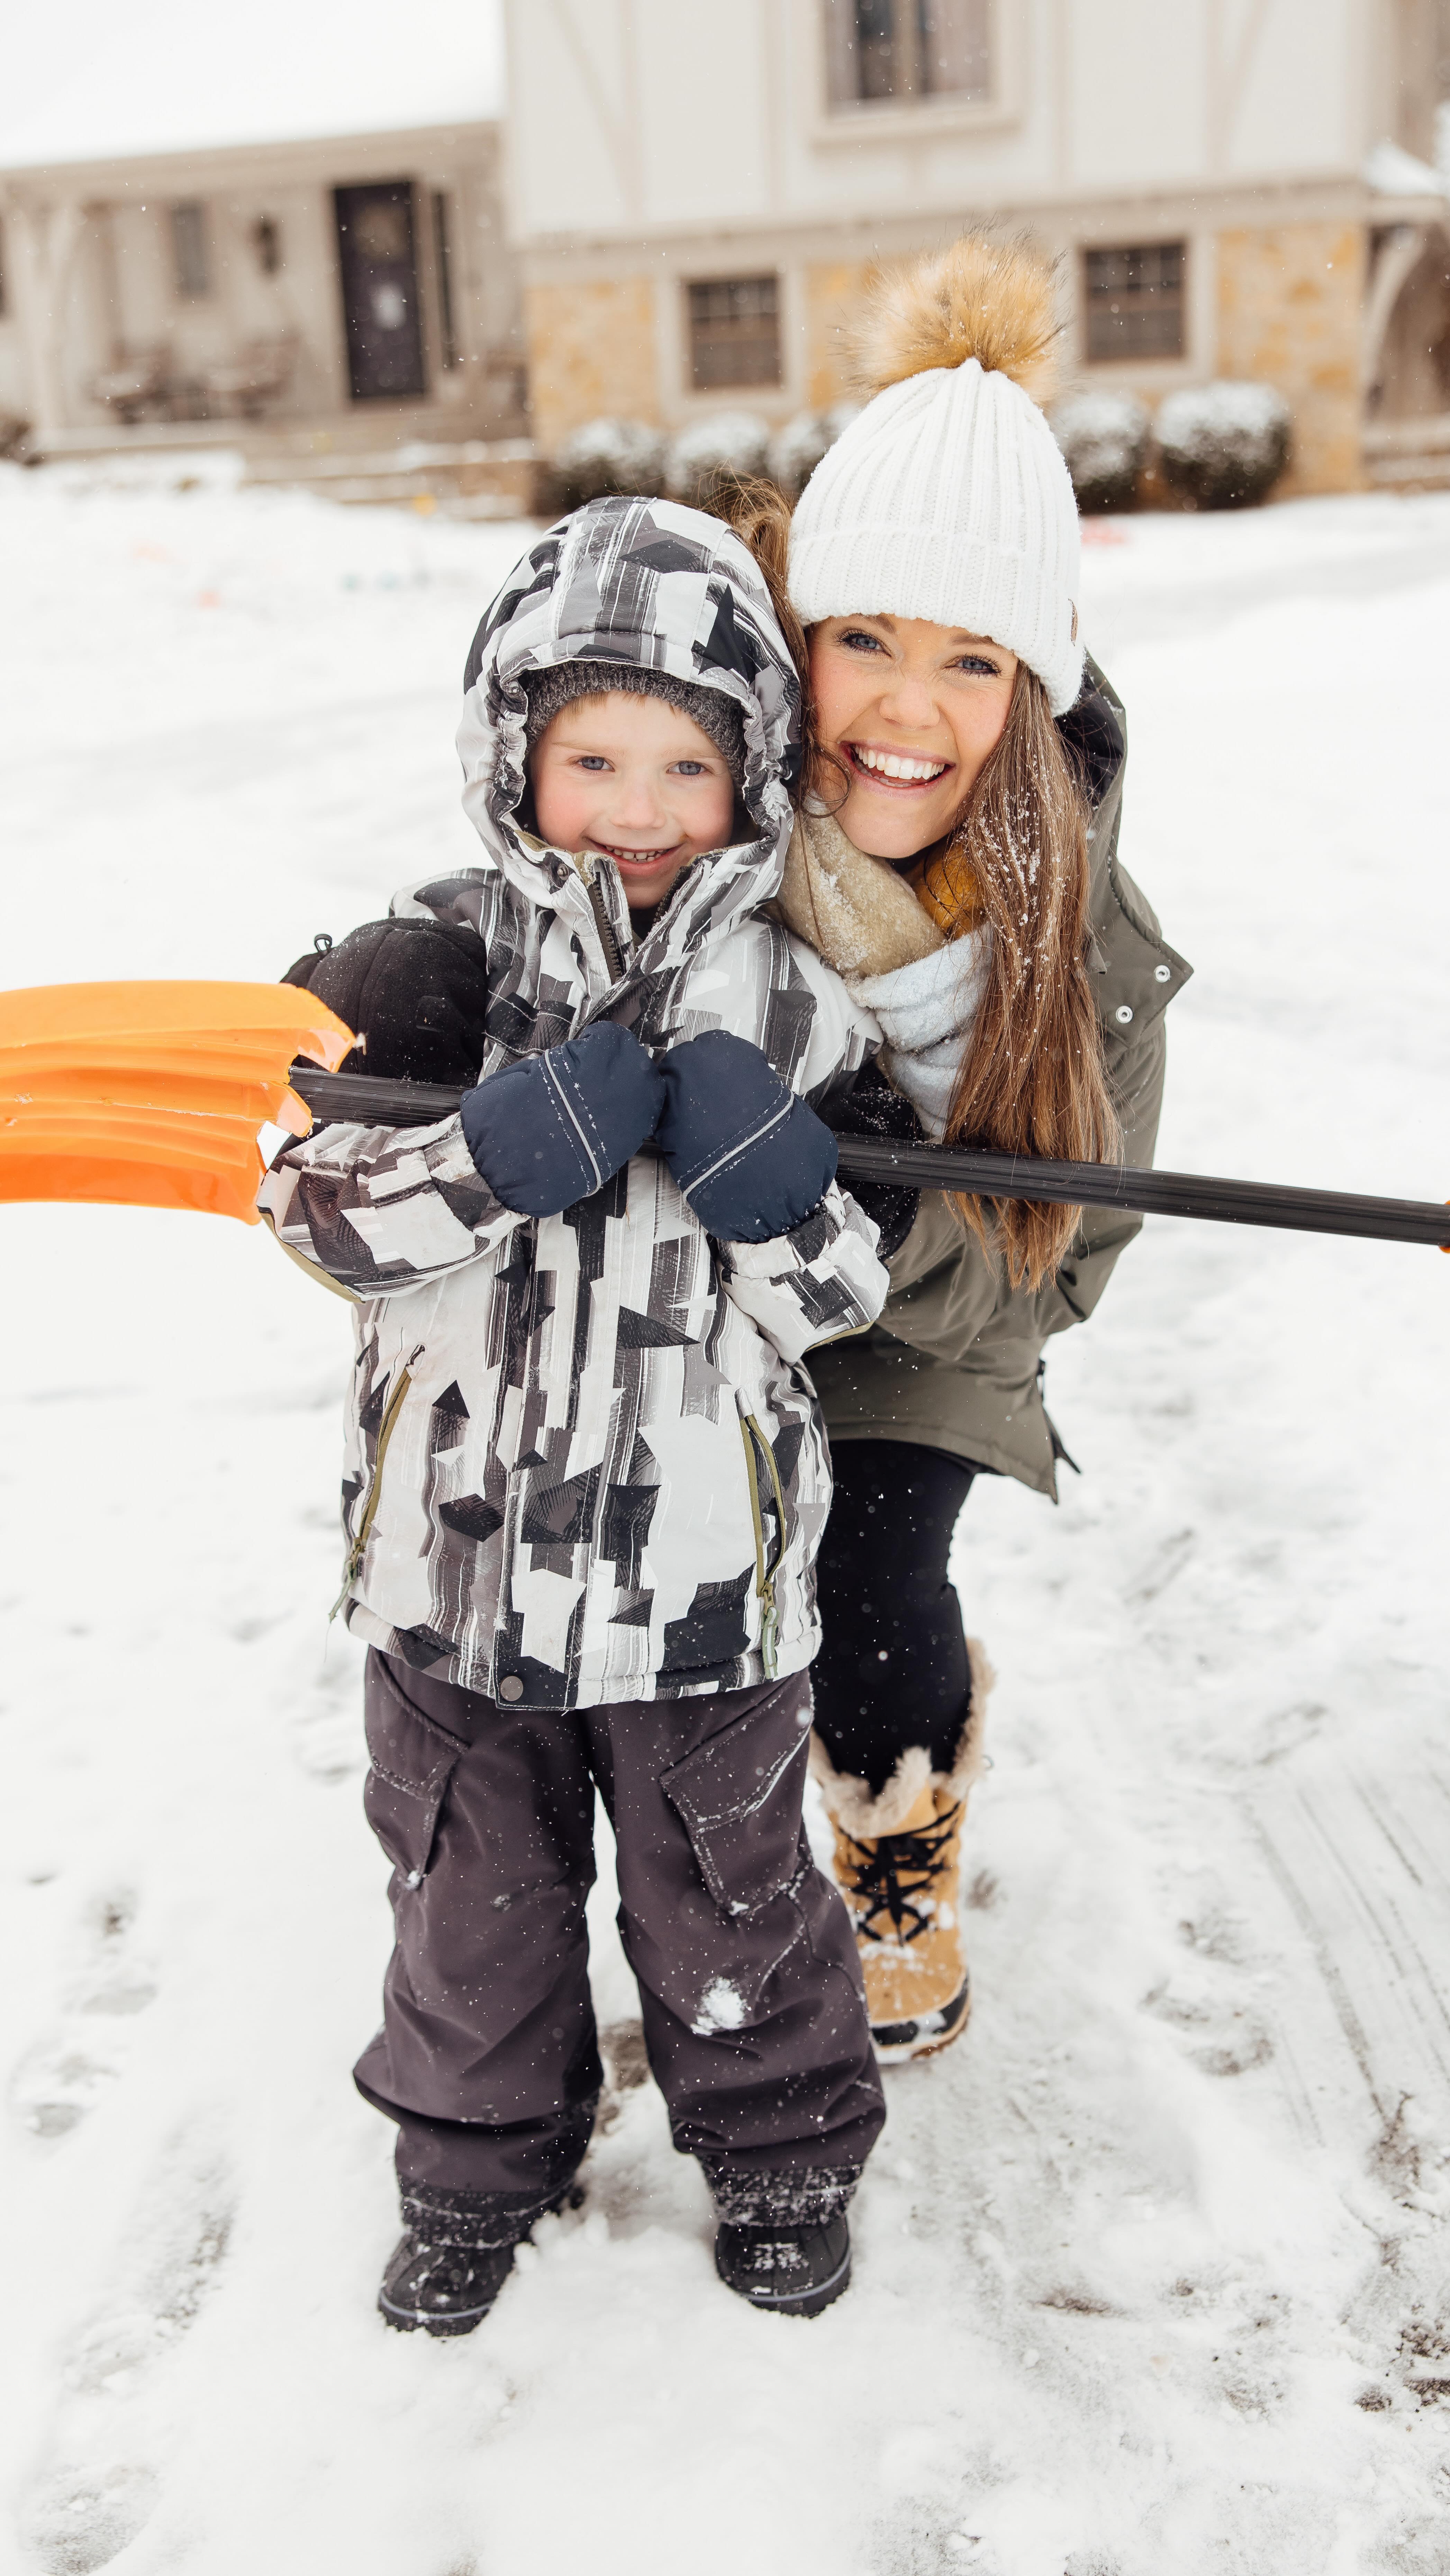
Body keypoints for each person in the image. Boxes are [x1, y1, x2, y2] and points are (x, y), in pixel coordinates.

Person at [259, 496, 894, 2331]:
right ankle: (478, 2163)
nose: (633, 802)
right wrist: (480, 1153)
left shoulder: (793, 1002)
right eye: (591, 752)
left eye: (685, 761)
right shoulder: (426, 979)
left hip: (705, 1586)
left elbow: (845, 1304)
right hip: (451, 1580)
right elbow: (306, 1210)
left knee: (736, 1895)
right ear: (512, 753)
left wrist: (783, 1189)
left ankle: (778, 2147)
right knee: (471, 1906)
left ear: (753, 777)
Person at [728, 235, 1190, 2064]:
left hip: (941, 1332)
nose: (906, 708)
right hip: (716, 1299)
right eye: (863, 641)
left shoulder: (1081, 943)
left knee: (869, 1560)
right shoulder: (718, 832)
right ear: (796, 642)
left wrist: (853, 1193)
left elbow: (1053, 1262)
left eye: (970, 661)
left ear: (1032, 692)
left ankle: (894, 1832)